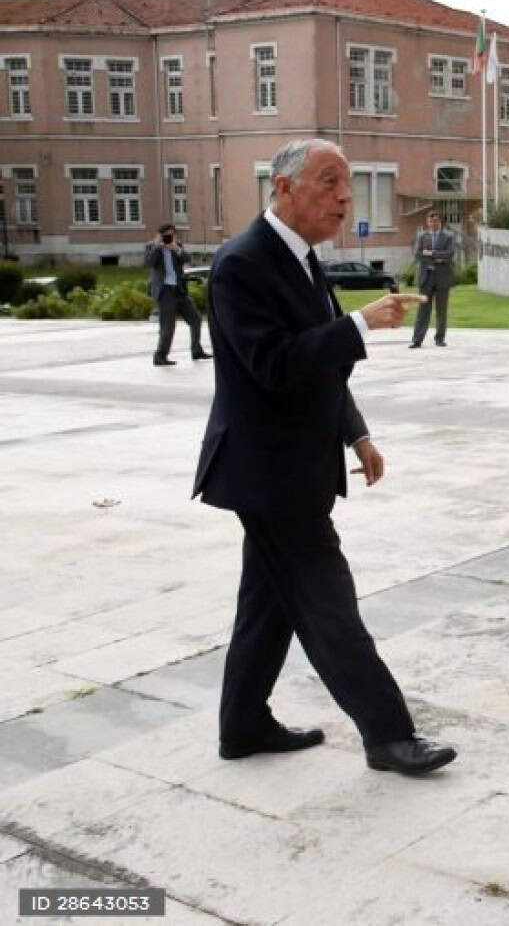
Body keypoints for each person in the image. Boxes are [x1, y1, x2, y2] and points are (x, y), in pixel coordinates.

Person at [193, 138, 457, 776]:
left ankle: (242, 725)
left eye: (347, 185)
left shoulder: (301, 259)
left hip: (295, 467)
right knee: (327, 603)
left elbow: (321, 368)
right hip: (268, 475)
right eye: (331, 182)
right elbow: (277, 364)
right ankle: (389, 736)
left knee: (268, 604)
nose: (345, 197)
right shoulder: (239, 265)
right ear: (281, 189)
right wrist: (361, 326)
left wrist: (356, 435)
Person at [145, 223, 210, 366]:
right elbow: (149, 263)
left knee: (196, 319)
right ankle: (160, 356)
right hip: (165, 291)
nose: (169, 238)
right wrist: (157, 246)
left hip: (179, 290)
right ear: (160, 235)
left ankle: (196, 350)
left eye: (172, 234)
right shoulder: (152, 247)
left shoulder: (176, 245)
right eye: (166, 235)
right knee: (168, 326)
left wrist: (177, 249)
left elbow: (187, 259)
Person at [409, 209, 459, 348]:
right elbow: (418, 254)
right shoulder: (421, 236)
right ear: (427, 222)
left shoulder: (448, 236)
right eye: (431, 221)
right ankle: (417, 340)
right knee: (423, 311)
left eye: (436, 220)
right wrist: (437, 259)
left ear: (440, 221)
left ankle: (440, 338)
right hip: (426, 278)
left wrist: (431, 253)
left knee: (441, 310)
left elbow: (449, 254)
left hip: (442, 278)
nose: (433, 223)